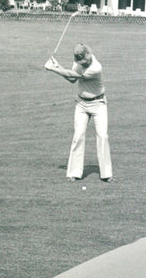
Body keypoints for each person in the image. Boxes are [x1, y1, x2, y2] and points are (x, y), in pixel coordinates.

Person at [45, 43, 113, 182]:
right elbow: (72, 79)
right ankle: (74, 172)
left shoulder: (96, 68)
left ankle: (106, 174)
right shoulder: (78, 64)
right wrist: (57, 66)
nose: (84, 63)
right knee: (78, 136)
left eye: (85, 60)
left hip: (98, 104)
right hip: (81, 104)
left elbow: (73, 75)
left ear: (89, 54)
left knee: (102, 136)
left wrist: (53, 68)